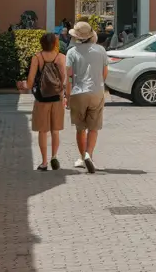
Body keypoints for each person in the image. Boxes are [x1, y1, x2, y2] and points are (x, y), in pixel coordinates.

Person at [65, 21, 109, 174]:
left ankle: (82, 157)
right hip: (97, 91)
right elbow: (105, 73)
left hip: (78, 92)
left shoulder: (71, 52)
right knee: (93, 127)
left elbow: (69, 76)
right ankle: (89, 154)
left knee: (80, 128)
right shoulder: (101, 50)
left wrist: (67, 95)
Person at [21, 32, 66, 171]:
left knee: (42, 131)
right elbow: (64, 80)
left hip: (41, 99)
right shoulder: (61, 57)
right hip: (57, 98)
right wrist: (64, 95)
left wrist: (23, 85)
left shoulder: (37, 58)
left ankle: (44, 162)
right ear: (55, 44)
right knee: (55, 130)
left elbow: (30, 81)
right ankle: (54, 157)